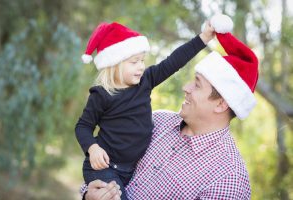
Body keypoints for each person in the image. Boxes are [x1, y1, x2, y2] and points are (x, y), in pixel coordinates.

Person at [81, 14, 259, 200]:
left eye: (196, 84)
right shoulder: (157, 121)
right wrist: (88, 196)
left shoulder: (228, 179)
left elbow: (172, 63)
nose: (186, 88)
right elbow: (104, 173)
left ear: (221, 104)